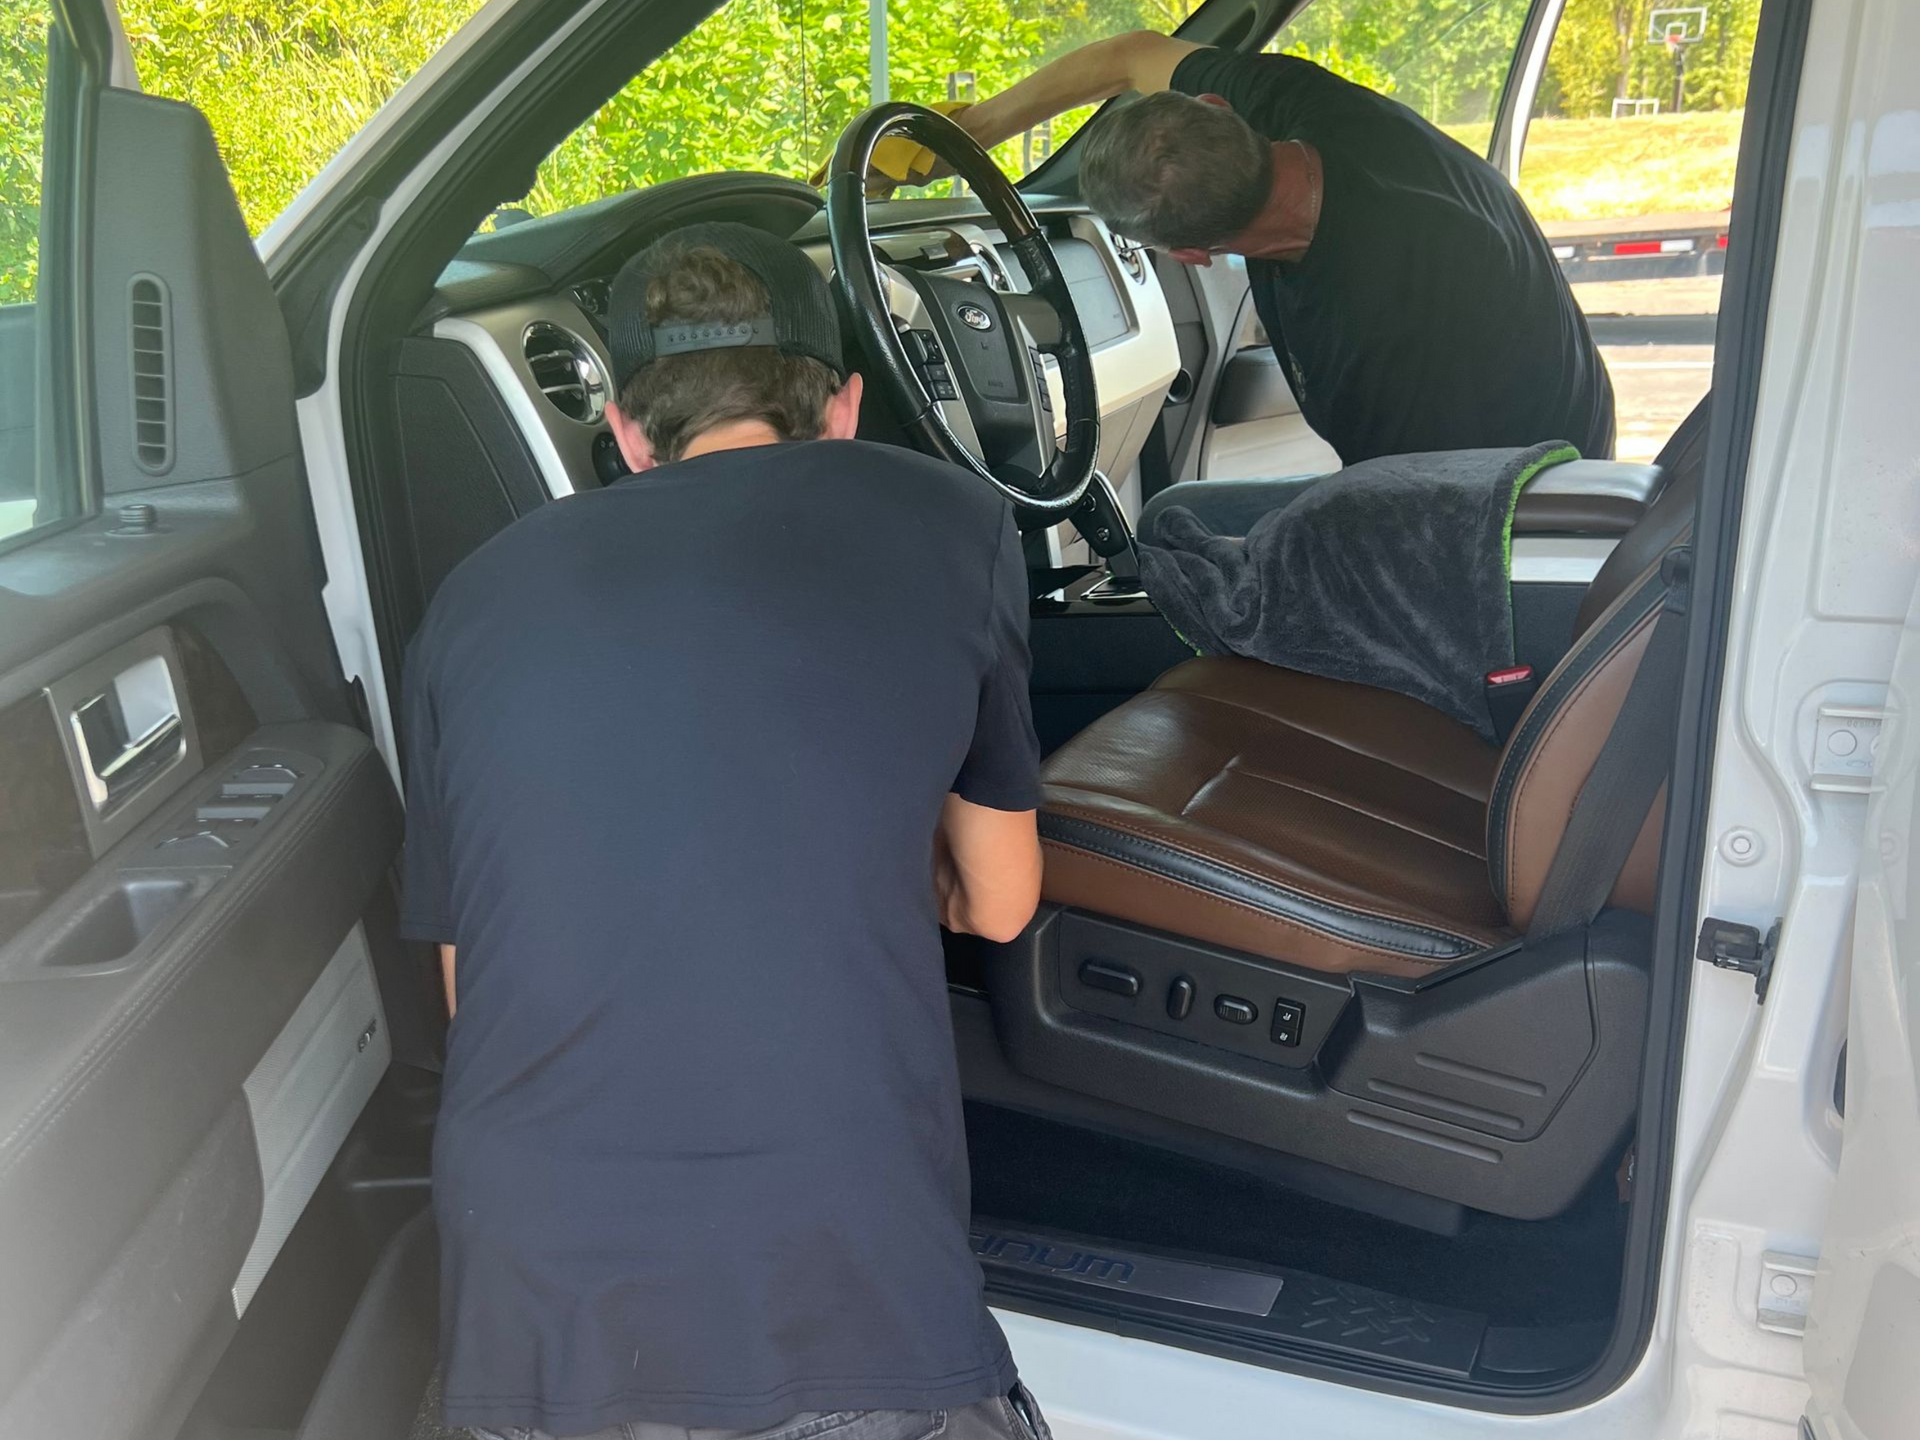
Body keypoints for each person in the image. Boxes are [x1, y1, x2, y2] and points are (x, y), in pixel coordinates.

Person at [399, 221, 1052, 1440]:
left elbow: (466, 990)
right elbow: (1003, 900)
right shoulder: (953, 523)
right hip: (839, 1277)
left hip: (533, 1308)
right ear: (847, 409)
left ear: (633, 441)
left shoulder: (472, 595)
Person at [950, 31, 1615, 537]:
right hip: (1548, 421)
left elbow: (1402, 513)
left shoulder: (1375, 326)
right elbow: (1133, 55)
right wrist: (971, 130)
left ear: (1187, 253)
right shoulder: (1296, 103)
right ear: (1218, 105)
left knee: (1176, 528)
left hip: (1527, 499)